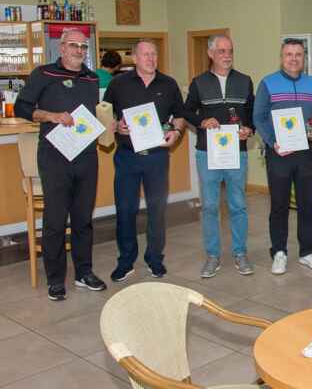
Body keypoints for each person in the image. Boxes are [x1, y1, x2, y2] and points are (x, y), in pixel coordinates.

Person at [15, 28, 106, 301]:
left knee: (83, 219)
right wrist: (51, 116)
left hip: (86, 156)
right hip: (54, 157)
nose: (79, 50)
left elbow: (95, 114)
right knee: (55, 220)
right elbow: (22, 107)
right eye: (73, 45)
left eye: (83, 46)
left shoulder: (91, 78)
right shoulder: (43, 74)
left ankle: (84, 273)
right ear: (62, 47)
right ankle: (55, 280)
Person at [104, 38, 186, 282]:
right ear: (134, 57)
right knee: (125, 210)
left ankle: (155, 258)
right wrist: (116, 125)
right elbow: (105, 114)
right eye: (145, 54)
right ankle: (126, 261)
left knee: (157, 211)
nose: (151, 59)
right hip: (127, 156)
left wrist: (176, 132)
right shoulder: (118, 83)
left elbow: (180, 115)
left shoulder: (168, 84)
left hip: (157, 157)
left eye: (154, 54)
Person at [183, 34, 255, 278]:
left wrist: (249, 129)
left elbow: (252, 113)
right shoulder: (199, 82)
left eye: (230, 51)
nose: (227, 55)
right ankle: (213, 256)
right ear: (211, 54)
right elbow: (186, 111)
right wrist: (202, 121)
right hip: (208, 154)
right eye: (222, 51)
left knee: (238, 205)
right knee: (210, 206)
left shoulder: (244, 81)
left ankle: (240, 253)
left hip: (237, 153)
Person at [253, 38, 312, 275]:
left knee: (307, 204)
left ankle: (307, 251)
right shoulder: (268, 83)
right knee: (279, 205)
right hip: (279, 153)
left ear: (304, 57)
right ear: (281, 57)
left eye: (298, 54)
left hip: (306, 152)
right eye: (289, 54)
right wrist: (272, 142)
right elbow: (258, 116)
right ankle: (279, 252)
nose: (293, 59)